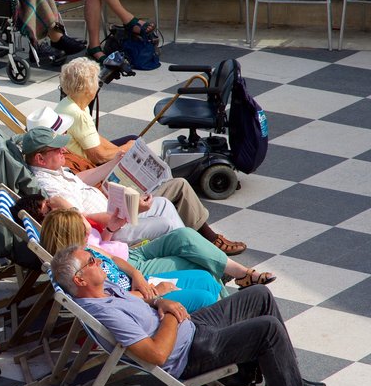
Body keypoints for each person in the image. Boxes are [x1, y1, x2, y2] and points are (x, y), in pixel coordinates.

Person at [50, 246, 337, 386]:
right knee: (268, 328)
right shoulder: (104, 311)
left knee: (258, 295)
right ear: (79, 280)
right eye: (91, 261)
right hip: (189, 355)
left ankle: (289, 378)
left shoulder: (107, 289)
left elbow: (143, 301)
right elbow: (157, 355)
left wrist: (160, 303)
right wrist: (173, 313)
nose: (99, 260)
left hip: (191, 329)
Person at [45, 60, 248, 255]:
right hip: (106, 196)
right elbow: (98, 155)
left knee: (140, 150)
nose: (97, 85)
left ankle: (201, 239)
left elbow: (97, 141)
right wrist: (124, 149)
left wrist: (127, 147)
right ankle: (210, 241)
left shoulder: (68, 104)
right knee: (179, 187)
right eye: (95, 81)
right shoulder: (78, 114)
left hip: (99, 187)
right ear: (87, 87)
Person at [32, 198, 275, 291]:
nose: (85, 225)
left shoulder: (81, 244)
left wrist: (108, 229)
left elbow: (104, 243)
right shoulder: (81, 258)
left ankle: (242, 274)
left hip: (134, 253)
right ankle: (229, 293)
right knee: (189, 262)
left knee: (185, 235)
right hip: (133, 267)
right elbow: (112, 268)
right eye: (81, 225)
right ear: (73, 234)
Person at [19, 126, 184, 244]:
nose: (64, 149)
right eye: (57, 148)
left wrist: (114, 162)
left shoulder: (53, 171)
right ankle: (189, 251)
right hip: (112, 229)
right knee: (166, 224)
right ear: (41, 159)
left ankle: (192, 246)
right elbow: (84, 219)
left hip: (114, 213)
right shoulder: (49, 185)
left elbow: (79, 180)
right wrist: (132, 209)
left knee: (163, 203)